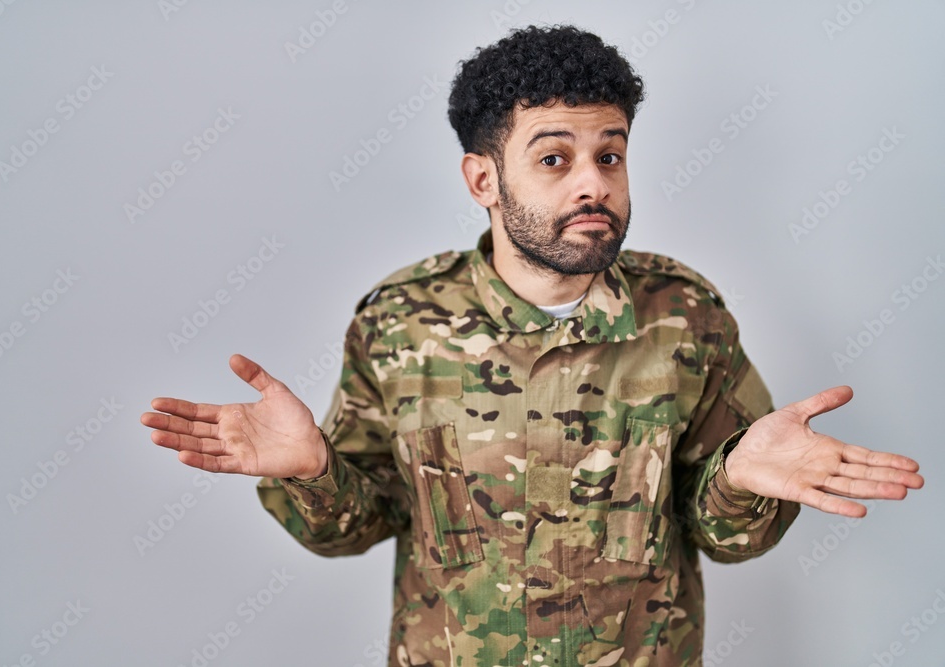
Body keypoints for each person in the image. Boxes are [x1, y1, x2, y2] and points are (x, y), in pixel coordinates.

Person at [141, 25, 924, 666]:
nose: (593, 184)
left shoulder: (685, 315)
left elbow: (726, 538)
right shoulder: (400, 321)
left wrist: (742, 481)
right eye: (555, 158)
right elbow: (357, 526)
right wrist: (313, 471)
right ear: (483, 179)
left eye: (609, 155)